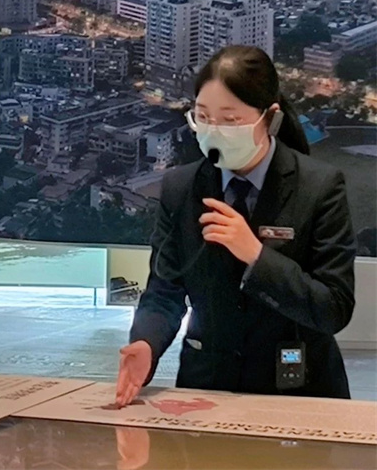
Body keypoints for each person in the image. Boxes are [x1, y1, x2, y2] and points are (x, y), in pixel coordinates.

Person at [116, 45, 356, 404]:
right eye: (203, 117)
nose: (214, 131)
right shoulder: (181, 188)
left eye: (230, 121)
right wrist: (145, 343)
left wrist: (257, 256)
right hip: (206, 387)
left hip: (298, 387)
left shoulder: (319, 187)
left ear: (270, 118)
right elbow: (164, 291)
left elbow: (334, 307)